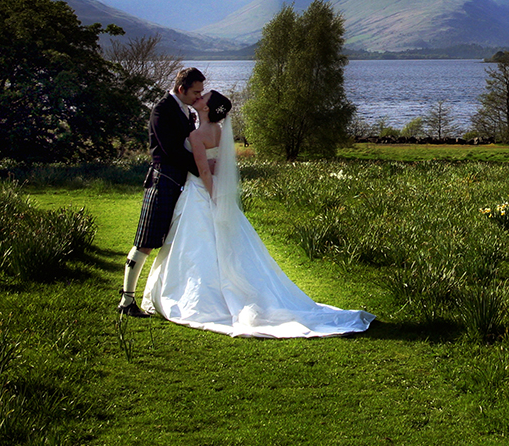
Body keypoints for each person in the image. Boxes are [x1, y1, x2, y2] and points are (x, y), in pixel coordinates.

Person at [141, 90, 375, 338]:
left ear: (207, 108)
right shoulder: (218, 132)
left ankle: (199, 298)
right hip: (212, 193)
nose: (198, 98)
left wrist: (212, 198)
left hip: (200, 194)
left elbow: (204, 172)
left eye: (202, 97)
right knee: (221, 247)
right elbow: (220, 165)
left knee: (195, 247)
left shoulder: (197, 135)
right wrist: (220, 197)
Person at [118, 68, 206, 318]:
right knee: (145, 241)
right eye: (195, 92)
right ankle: (127, 300)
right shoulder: (162, 109)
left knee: (174, 243)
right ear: (181, 89)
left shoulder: (186, 110)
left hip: (181, 183)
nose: (198, 97)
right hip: (162, 180)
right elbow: (170, 151)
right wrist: (202, 168)